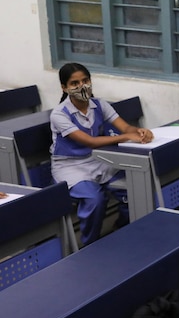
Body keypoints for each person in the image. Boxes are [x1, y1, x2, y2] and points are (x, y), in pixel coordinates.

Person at [50, 62, 154, 247]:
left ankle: (120, 229)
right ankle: (90, 245)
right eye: (75, 83)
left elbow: (124, 126)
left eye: (85, 80)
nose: (82, 86)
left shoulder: (99, 104)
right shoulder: (60, 114)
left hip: (100, 161)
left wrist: (138, 132)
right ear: (64, 88)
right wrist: (126, 137)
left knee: (134, 187)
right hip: (71, 167)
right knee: (94, 199)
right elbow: (88, 141)